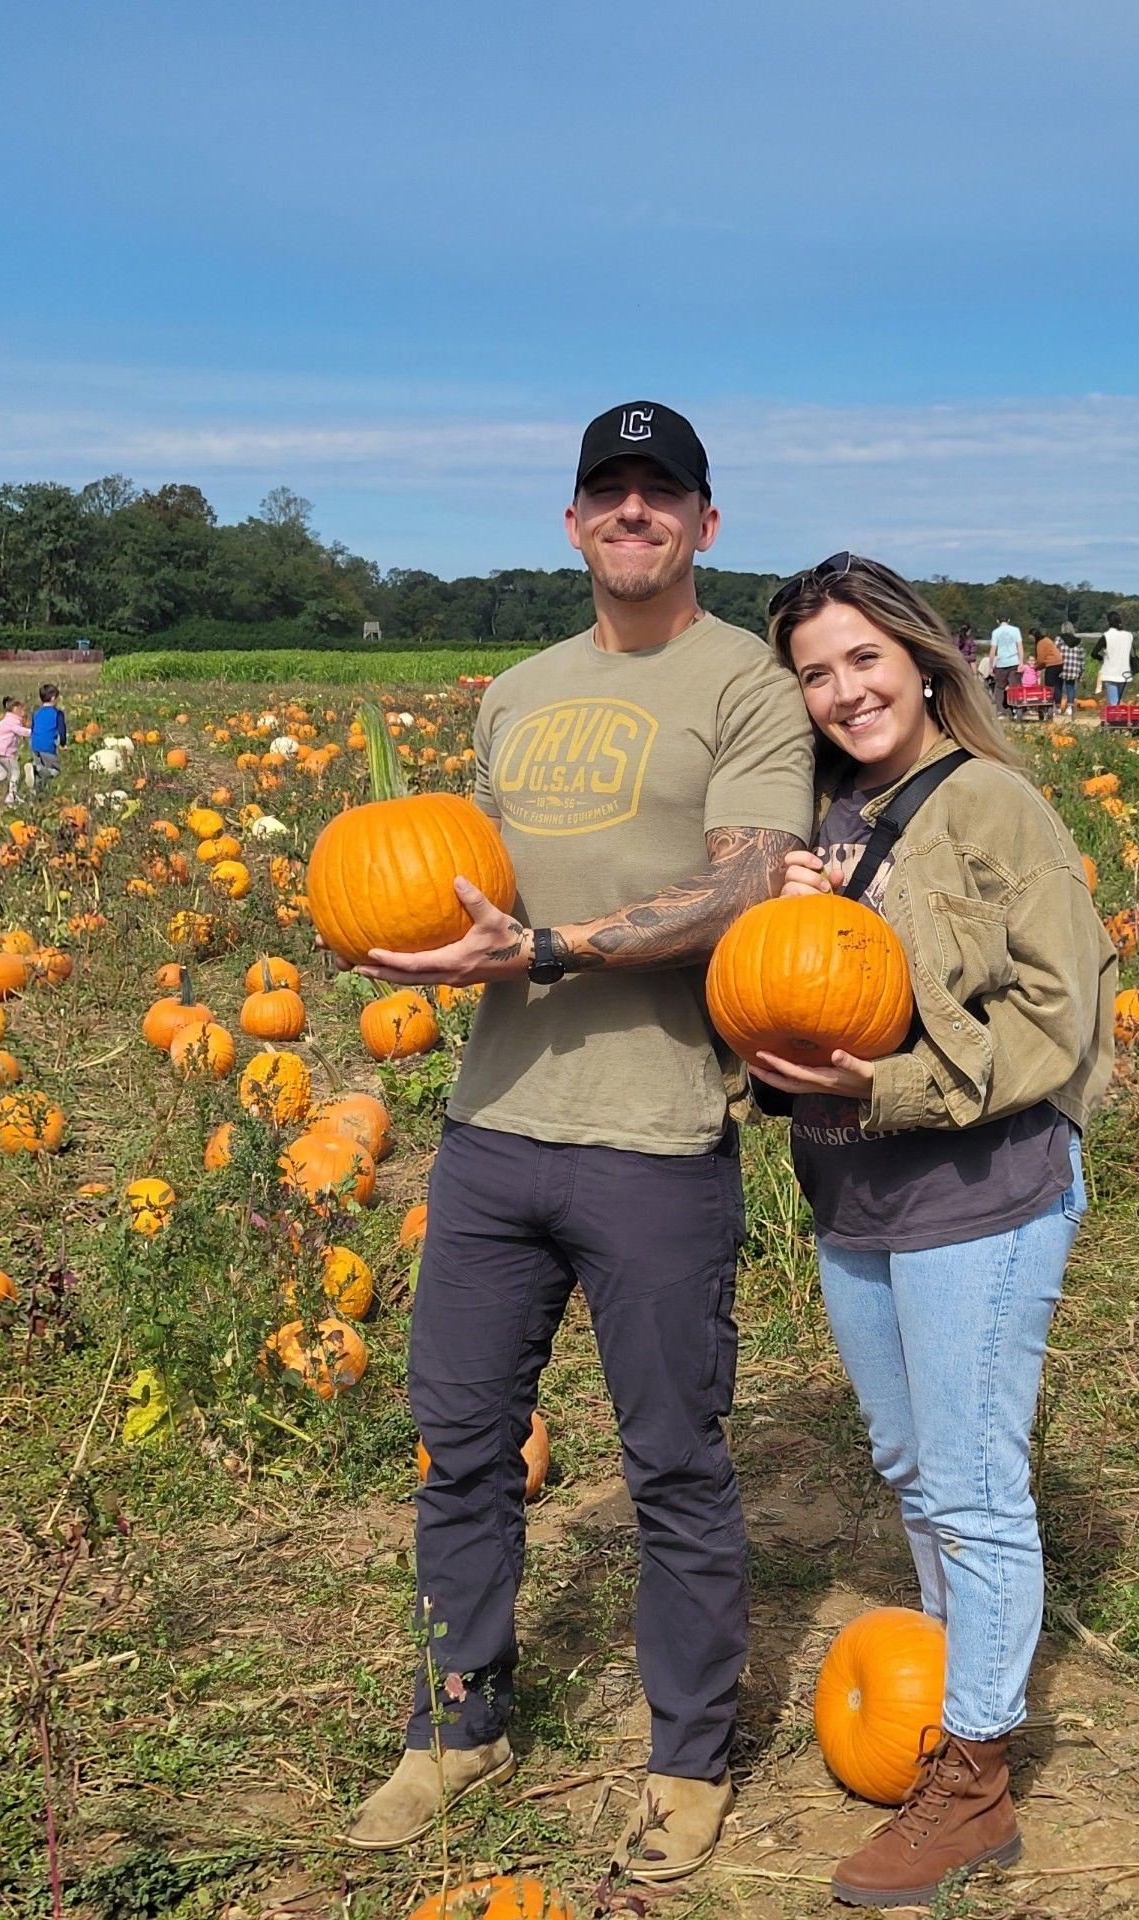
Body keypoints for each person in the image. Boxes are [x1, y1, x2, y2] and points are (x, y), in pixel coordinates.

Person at [334, 403, 814, 1884]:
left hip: (655, 1137)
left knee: (673, 1460)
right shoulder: (520, 692)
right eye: (610, 490)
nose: (633, 511)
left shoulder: (747, 687)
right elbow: (463, 886)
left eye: (662, 491)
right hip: (491, 1129)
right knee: (461, 1446)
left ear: (705, 524)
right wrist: (415, 934)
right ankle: (457, 1723)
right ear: (572, 520)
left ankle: (688, 1757)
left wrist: (542, 948)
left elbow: (744, 890)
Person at [753, 554, 1117, 1910]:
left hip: (979, 1190)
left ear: (920, 658)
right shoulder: (820, 820)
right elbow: (789, 996)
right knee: (913, 1465)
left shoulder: (992, 806)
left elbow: (1058, 1016)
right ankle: (965, 1690)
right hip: (855, 1192)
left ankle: (974, 1783)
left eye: (865, 658)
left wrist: (888, 1085)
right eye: (816, 672)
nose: (845, 691)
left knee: (970, 1482)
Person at [0, 697, 28, 807]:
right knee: (15, 772)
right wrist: (35, 732)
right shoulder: (12, 722)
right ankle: (11, 796)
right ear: (15, 709)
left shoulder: (4, 721)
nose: (24, 713)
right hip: (5, 752)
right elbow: (21, 731)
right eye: (22, 710)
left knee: (2, 774)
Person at [981, 612, 1023, 716]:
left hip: (1001, 663)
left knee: (999, 687)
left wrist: (991, 665)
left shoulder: (996, 632)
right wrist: (1021, 662)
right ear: (1008, 620)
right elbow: (1020, 647)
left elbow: (993, 649)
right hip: (1014, 662)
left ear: (997, 621)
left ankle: (1000, 710)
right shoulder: (1015, 630)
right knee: (1015, 686)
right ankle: (1018, 708)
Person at [30, 683, 66, 788]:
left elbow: (33, 729)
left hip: (34, 744)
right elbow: (62, 731)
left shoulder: (36, 713)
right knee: (55, 771)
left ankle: (36, 793)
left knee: (39, 774)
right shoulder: (58, 713)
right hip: (47, 746)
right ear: (53, 698)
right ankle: (37, 769)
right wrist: (63, 743)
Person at [1096, 616, 1135, 708]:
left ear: (1109, 623)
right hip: (1124, 673)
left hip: (1110, 674)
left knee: (1114, 703)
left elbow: (1094, 653)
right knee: (1118, 701)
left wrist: (1101, 658)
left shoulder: (1106, 636)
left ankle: (1115, 716)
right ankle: (1120, 715)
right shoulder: (1129, 635)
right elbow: (1131, 653)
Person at [1056, 622, 1084, 716]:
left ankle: (1058, 707)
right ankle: (1069, 708)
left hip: (1061, 666)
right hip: (1073, 668)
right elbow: (1081, 657)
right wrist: (1081, 671)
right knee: (1070, 686)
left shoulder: (1059, 639)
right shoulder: (1078, 641)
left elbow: (1054, 651)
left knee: (1058, 686)